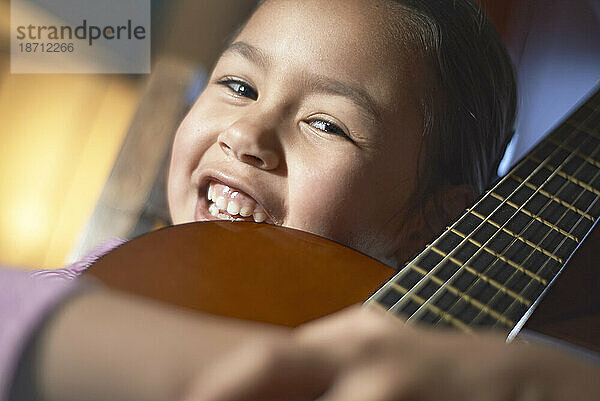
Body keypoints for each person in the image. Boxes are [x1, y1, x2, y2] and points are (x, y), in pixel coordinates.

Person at [2, 0, 599, 400]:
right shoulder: (90, 286)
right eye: (238, 86)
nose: (246, 136)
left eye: (327, 125)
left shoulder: (472, 376)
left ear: (434, 221)